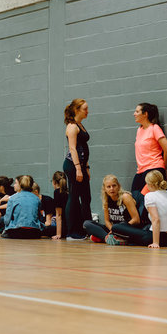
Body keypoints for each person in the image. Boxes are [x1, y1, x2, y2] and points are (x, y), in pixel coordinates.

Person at [112, 170, 167, 248]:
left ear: (150, 185)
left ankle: (126, 240)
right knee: (143, 227)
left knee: (116, 227)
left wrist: (156, 243)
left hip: (156, 238)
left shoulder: (150, 196)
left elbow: (156, 219)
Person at [63, 99, 91, 240]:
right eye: (85, 109)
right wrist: (78, 168)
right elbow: (72, 148)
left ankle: (88, 229)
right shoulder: (72, 127)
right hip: (73, 166)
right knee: (74, 197)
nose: (87, 111)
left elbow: (83, 149)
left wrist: (86, 167)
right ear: (76, 110)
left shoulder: (80, 125)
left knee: (86, 197)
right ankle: (72, 232)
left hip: (81, 166)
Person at [83, 175, 140, 245]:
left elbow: (136, 219)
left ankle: (105, 238)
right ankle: (108, 238)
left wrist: (117, 229)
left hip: (127, 228)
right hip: (113, 229)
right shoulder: (106, 199)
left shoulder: (125, 197)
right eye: (108, 187)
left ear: (118, 186)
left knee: (115, 227)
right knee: (87, 224)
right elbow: (107, 221)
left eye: (114, 186)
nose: (112, 189)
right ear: (104, 189)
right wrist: (112, 230)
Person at [132, 103, 167, 195]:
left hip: (154, 169)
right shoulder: (139, 130)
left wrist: (164, 168)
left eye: (137, 111)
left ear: (145, 114)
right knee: (134, 200)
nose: (134, 114)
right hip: (140, 171)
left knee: (144, 201)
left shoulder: (155, 128)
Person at [51, 171, 68, 239]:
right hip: (73, 226)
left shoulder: (57, 192)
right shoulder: (69, 191)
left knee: (45, 229)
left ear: (54, 182)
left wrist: (58, 234)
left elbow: (59, 215)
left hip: (65, 228)